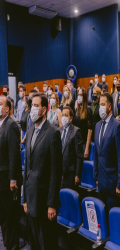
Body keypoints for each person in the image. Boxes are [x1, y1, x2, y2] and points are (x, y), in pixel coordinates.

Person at [23, 93, 63, 250]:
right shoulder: (31, 129)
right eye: (32, 105)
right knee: (34, 244)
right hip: (31, 200)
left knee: (46, 244)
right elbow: (27, 168)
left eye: (35, 106)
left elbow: (56, 171)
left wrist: (52, 204)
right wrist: (24, 198)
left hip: (45, 202)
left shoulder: (53, 133)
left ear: (44, 110)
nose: (32, 109)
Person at [93, 93, 120, 213]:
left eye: (103, 104)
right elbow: (97, 153)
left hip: (112, 184)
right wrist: (95, 175)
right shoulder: (97, 126)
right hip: (101, 182)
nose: (100, 107)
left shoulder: (117, 126)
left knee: (112, 218)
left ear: (109, 106)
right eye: (99, 104)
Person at [0, 96, 21, 250]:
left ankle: (12, 246)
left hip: (8, 180)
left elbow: (14, 154)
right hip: (1, 179)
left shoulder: (11, 125)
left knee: (10, 216)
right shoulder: (1, 124)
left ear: (7, 109)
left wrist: (13, 179)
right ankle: (7, 244)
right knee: (3, 216)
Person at [60, 106, 84, 189]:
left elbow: (79, 156)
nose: (63, 117)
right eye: (62, 115)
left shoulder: (76, 131)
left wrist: (77, 175)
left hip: (70, 173)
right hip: (60, 172)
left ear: (70, 118)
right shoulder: (59, 130)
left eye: (65, 115)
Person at [73, 87, 93, 158]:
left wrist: (87, 148)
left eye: (81, 95)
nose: (79, 96)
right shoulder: (76, 111)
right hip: (76, 143)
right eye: (78, 94)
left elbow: (90, 130)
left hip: (83, 144)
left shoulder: (88, 111)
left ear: (84, 97)